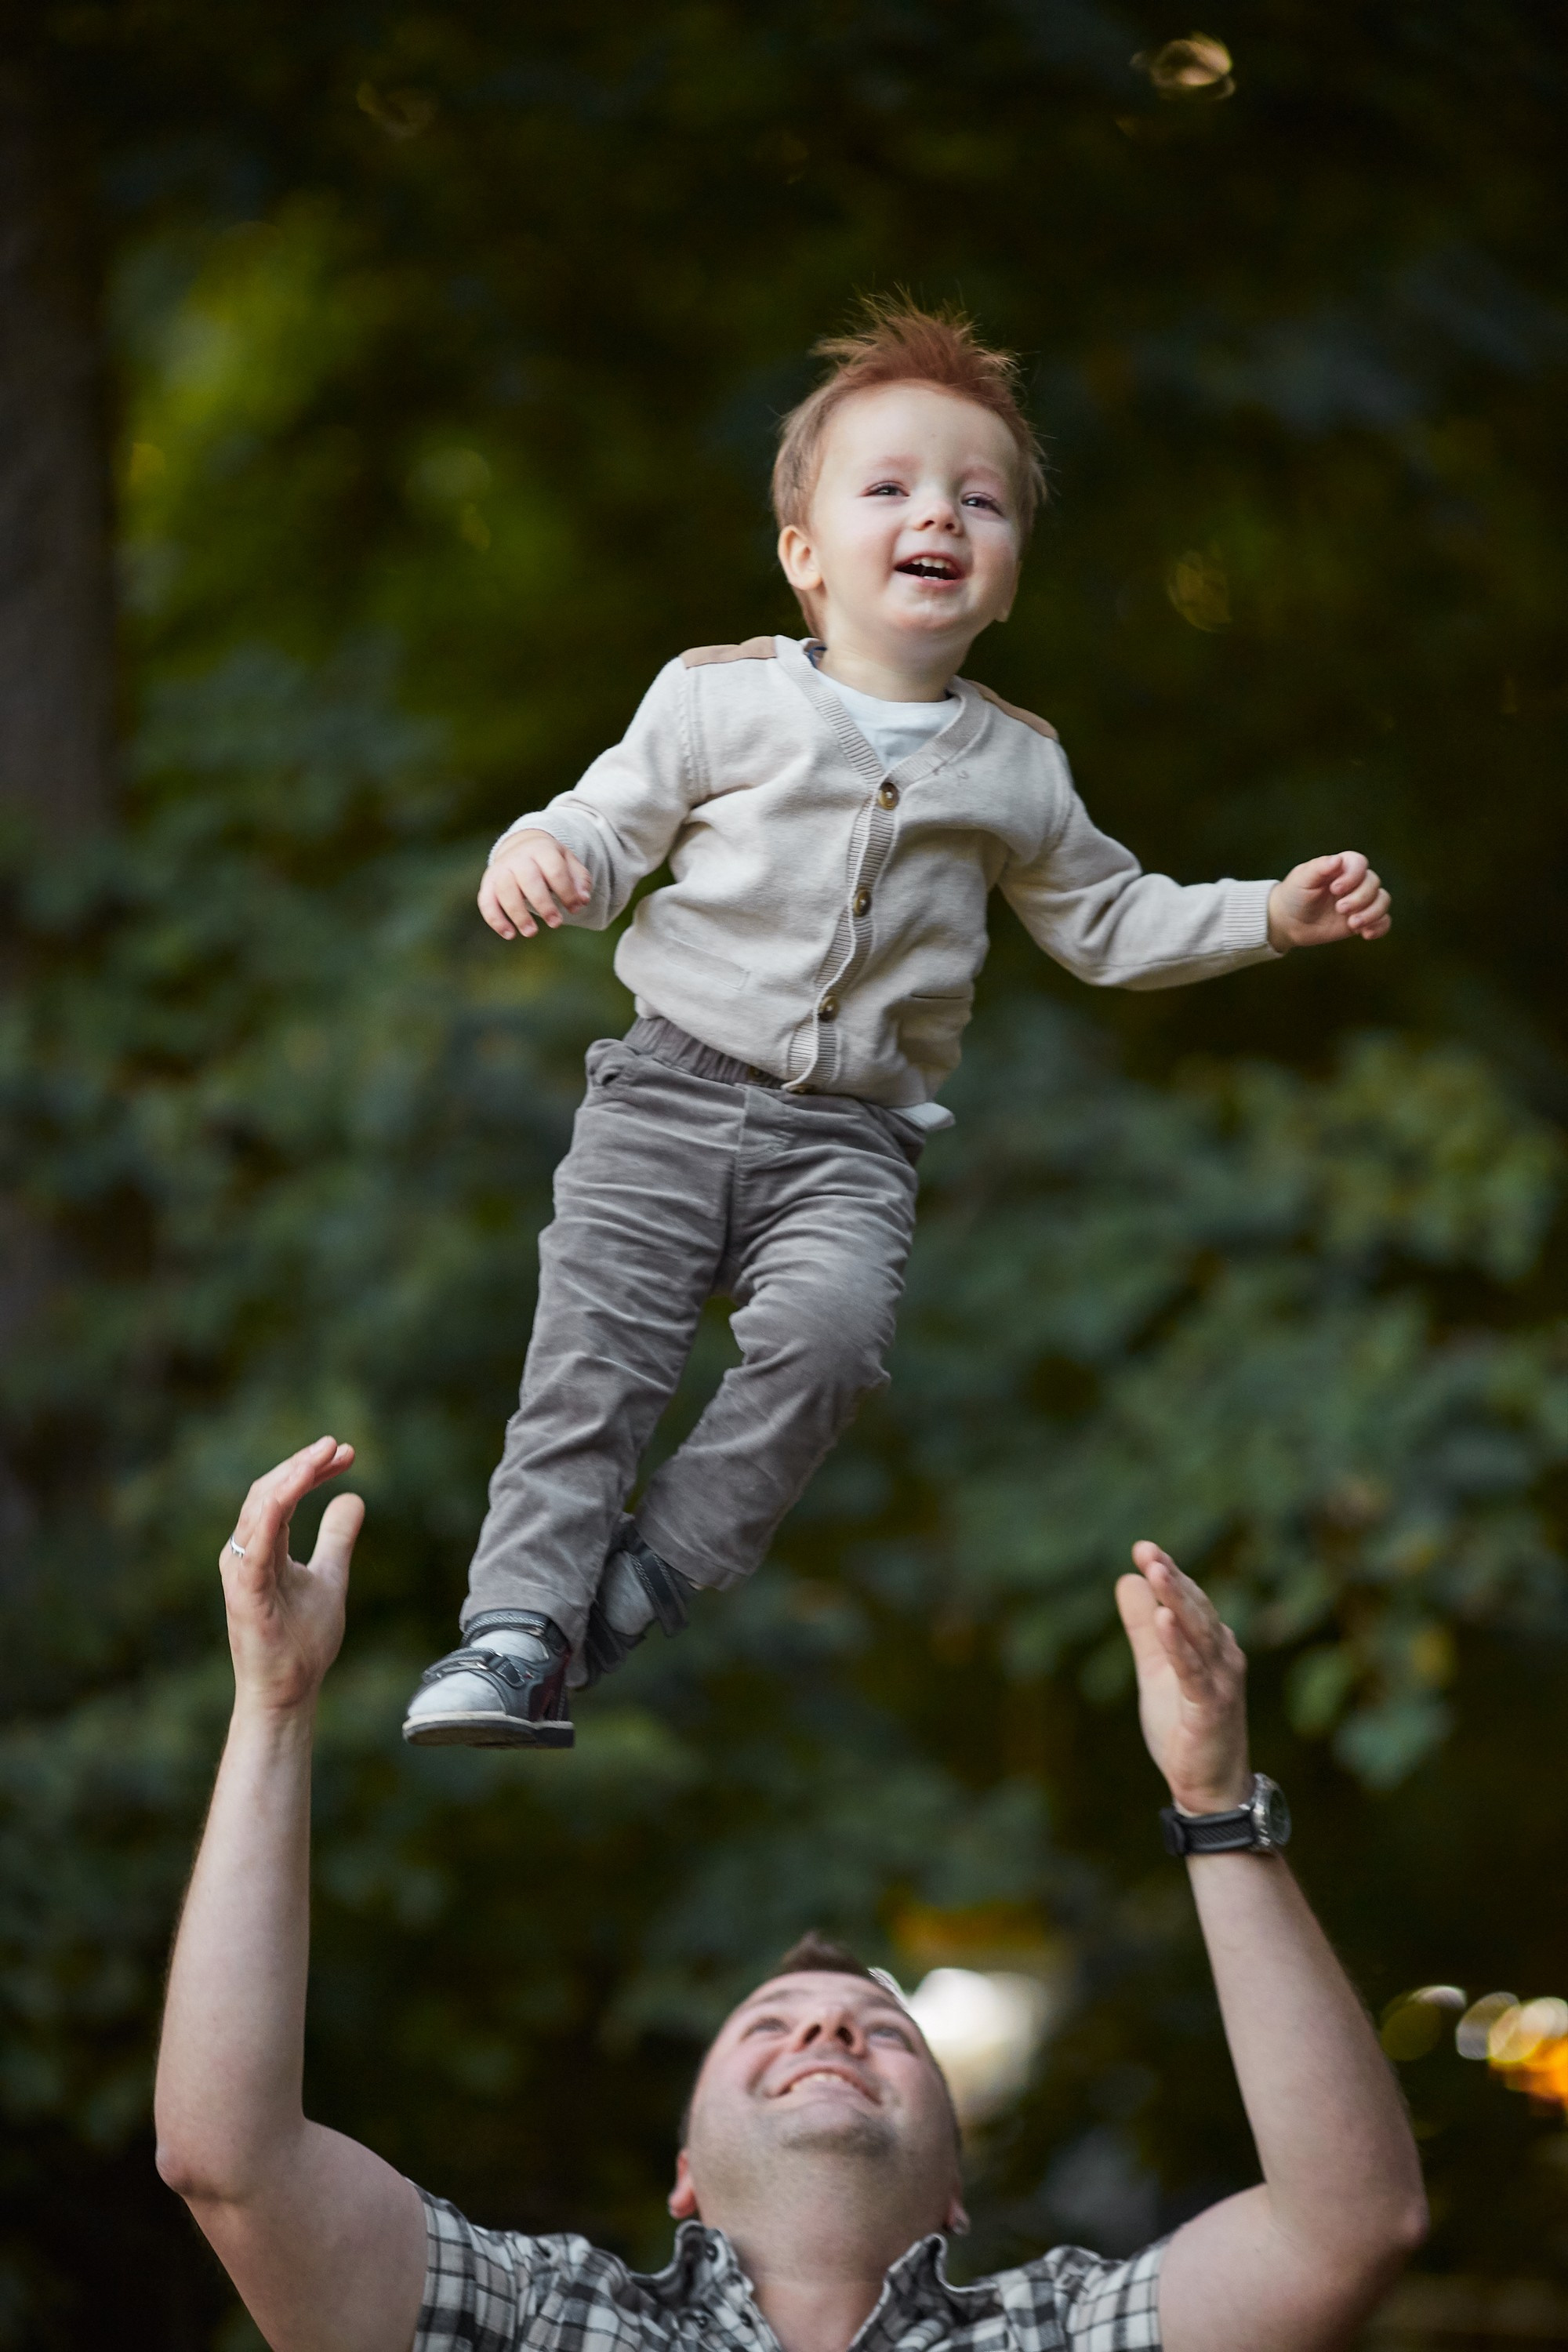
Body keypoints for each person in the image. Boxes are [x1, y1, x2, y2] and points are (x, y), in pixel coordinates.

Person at [400, 302, 1393, 1749]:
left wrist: (1266, 914)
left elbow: (1111, 923)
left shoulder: (1020, 772)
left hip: (849, 1143)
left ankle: (649, 1576)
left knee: (830, 1344)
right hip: (663, 1099)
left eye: (977, 501)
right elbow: (602, 824)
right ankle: (510, 1631)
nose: (938, 513)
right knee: (593, 1366)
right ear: (804, 553)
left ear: (1003, 580)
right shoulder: (716, 701)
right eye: (891, 489)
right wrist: (541, 859)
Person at [156, 1436, 1427, 2352]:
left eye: (882, 2033)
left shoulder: (1063, 2331)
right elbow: (231, 2161)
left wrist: (1217, 1800)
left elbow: (1349, 2226)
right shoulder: (541, 2320)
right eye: (769, 2029)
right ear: (685, 2177)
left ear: (954, 2190)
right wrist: (275, 1706)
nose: (825, 2030)